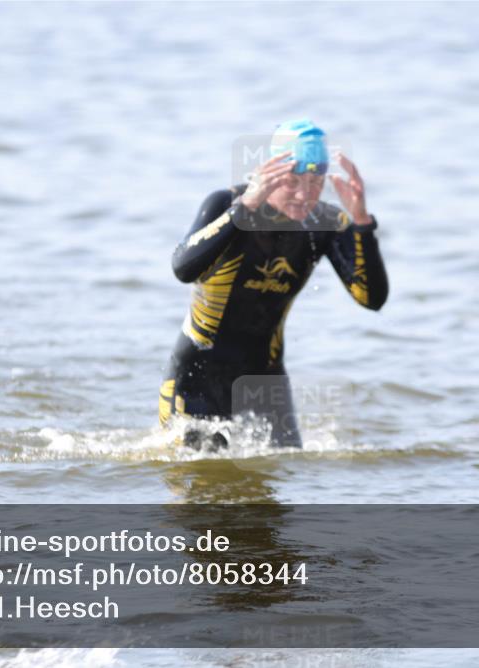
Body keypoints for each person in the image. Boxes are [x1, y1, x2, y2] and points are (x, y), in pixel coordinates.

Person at [158, 119, 388, 451]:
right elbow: (183, 268)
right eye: (292, 181)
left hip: (266, 381)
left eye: (315, 183)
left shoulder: (325, 224)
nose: (304, 194)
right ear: (268, 173)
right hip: (199, 376)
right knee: (200, 479)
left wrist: (362, 223)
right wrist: (244, 209)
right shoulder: (226, 203)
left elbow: (371, 299)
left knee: (281, 476)